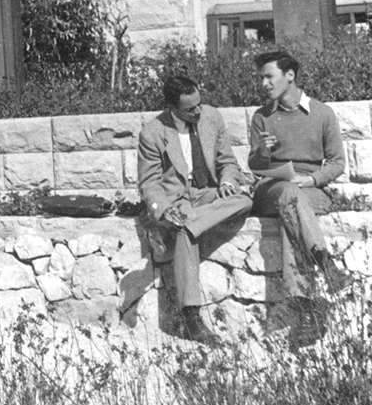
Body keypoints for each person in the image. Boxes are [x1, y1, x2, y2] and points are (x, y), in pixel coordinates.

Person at [136, 73, 252, 345]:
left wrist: (226, 181)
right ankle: (191, 316)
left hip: (205, 195)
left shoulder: (211, 117)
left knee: (245, 200)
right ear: (173, 108)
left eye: (199, 103)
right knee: (185, 234)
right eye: (190, 109)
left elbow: (228, 163)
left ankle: (190, 223)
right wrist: (163, 211)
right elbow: (149, 184)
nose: (198, 110)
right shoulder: (152, 133)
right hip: (176, 201)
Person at [249, 49, 348, 339]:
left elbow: (338, 162)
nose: (264, 84)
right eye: (262, 78)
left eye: (269, 77)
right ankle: (325, 263)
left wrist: (314, 178)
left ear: (290, 75)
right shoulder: (262, 117)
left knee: (291, 216)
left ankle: (306, 310)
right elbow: (255, 167)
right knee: (289, 196)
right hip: (272, 189)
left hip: (309, 189)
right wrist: (263, 152)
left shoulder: (322, 113)